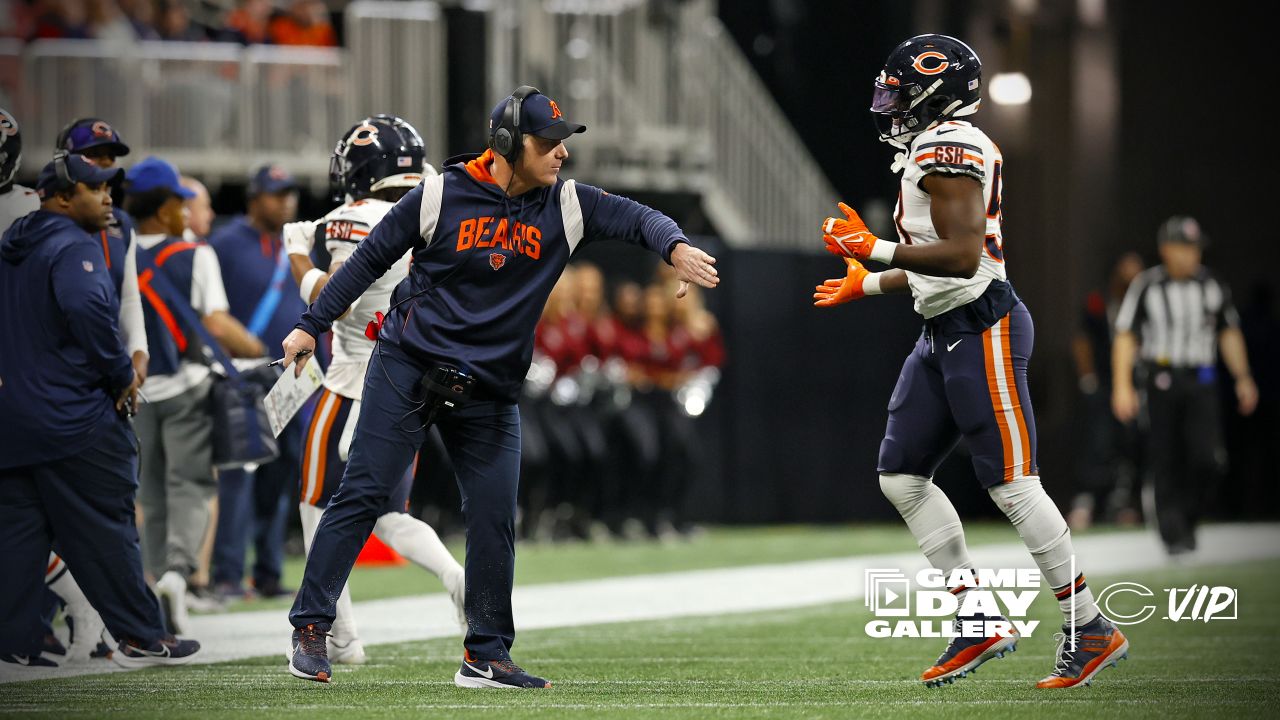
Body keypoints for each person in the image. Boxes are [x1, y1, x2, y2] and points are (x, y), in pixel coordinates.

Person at [280, 86, 719, 687]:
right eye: (549, 143)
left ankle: (484, 652)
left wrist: (676, 244)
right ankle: (310, 626)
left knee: (493, 517)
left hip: (487, 385)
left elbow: (636, 217)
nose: (562, 154)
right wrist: (310, 325)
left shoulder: (564, 205)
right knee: (362, 493)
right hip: (408, 365)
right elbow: (366, 263)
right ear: (509, 143)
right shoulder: (438, 193)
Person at [812, 35, 1127, 689]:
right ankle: (978, 619)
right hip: (942, 331)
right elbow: (946, 258)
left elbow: (958, 257)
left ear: (934, 92)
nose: (889, 106)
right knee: (900, 475)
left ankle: (1090, 627)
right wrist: (866, 280)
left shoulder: (946, 146)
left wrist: (871, 248)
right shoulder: (934, 147)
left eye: (899, 93)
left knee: (1013, 485)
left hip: (981, 327)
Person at [0, 152, 199, 668]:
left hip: (14, 417)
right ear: (63, 197)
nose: (108, 196)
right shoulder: (72, 244)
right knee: (109, 523)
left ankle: (14, 641)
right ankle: (139, 636)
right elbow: (88, 308)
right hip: (74, 417)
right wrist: (119, 374)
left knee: (21, 532)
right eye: (96, 188)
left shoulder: (13, 243)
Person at [281, 114, 466, 664]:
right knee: (388, 513)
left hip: (350, 385)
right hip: (410, 387)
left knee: (316, 505)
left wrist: (295, 252)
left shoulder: (353, 218)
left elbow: (338, 290)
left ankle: (342, 637)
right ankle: (454, 574)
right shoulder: (440, 206)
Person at [124, 156, 265, 634]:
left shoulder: (115, 251)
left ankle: (155, 574)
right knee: (191, 484)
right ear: (166, 208)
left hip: (137, 391)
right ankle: (178, 574)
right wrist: (257, 348)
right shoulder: (195, 254)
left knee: (151, 492)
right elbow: (214, 321)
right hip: (187, 385)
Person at [1112, 216, 1257, 555]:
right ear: (1166, 249)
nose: (1191, 255)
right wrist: (1123, 386)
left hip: (1202, 379)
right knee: (1165, 455)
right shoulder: (1147, 285)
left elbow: (1229, 332)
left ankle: (1188, 517)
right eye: (1184, 247)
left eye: (1195, 248)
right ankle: (1171, 530)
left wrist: (1243, 377)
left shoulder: (1212, 284)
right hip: (1162, 378)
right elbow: (1126, 335)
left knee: (1208, 458)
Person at [208, 164, 304, 600]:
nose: (286, 201)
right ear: (254, 197)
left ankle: (267, 572)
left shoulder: (297, 245)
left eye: (289, 193)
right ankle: (227, 574)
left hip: (292, 377)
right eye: (275, 194)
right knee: (239, 475)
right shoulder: (225, 244)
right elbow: (209, 310)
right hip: (244, 377)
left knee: (281, 476)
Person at [1068, 252, 1145, 530]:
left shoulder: (1144, 304)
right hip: (1103, 382)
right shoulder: (1099, 301)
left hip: (1133, 384)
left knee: (1129, 441)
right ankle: (1085, 500)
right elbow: (1082, 339)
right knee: (1096, 440)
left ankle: (1121, 500)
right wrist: (1088, 377)